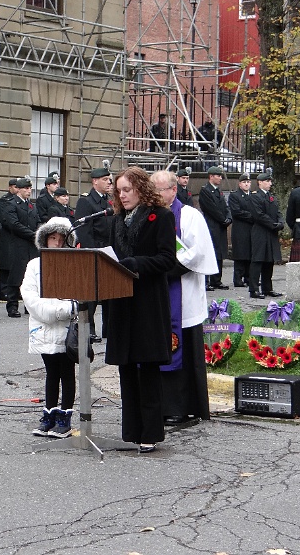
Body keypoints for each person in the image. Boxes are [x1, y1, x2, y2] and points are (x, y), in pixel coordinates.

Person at [105, 167, 176, 453]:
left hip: (148, 301)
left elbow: (167, 259)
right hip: (121, 300)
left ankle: (150, 432)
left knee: (147, 367)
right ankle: (132, 430)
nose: (122, 195)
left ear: (141, 189)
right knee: (126, 367)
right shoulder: (116, 220)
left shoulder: (161, 216)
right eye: (118, 191)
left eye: (127, 190)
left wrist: (136, 263)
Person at [151, 171, 217, 425]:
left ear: (173, 190)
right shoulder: (150, 215)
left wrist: (164, 266)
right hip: (156, 294)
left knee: (183, 349)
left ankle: (182, 406)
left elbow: (196, 252)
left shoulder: (189, 215)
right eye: (152, 190)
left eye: (159, 190)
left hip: (182, 292)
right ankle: (159, 404)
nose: (155, 195)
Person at [21, 217, 77, 438]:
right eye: (53, 238)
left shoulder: (74, 264)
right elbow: (30, 296)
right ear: (45, 239)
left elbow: (77, 296)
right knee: (51, 372)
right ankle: (49, 413)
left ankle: (65, 417)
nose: (57, 243)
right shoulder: (34, 265)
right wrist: (54, 311)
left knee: (67, 373)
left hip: (66, 329)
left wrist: (63, 311)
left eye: (61, 239)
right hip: (43, 327)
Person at [74, 164, 114, 343]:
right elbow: (84, 231)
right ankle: (89, 329)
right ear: (95, 181)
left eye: (109, 180)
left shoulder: (108, 201)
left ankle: (109, 329)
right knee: (91, 295)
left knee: (109, 293)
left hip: (108, 250)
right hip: (94, 251)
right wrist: (92, 253)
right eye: (105, 180)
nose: (109, 183)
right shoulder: (86, 201)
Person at [3, 176, 39, 318]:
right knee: (16, 275)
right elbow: (14, 224)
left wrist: (39, 232)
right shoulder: (11, 204)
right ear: (18, 189)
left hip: (31, 245)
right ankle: (12, 305)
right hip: (17, 244)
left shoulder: (31, 205)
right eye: (26, 188)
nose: (29, 191)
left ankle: (29, 305)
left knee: (30, 276)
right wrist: (32, 234)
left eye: (30, 188)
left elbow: (37, 221)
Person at [248, 169, 284, 299]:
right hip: (260, 231)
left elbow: (278, 212)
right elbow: (259, 215)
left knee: (269, 260)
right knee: (258, 260)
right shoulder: (254, 196)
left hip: (271, 232)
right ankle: (254, 289)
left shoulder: (271, 196)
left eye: (270, 181)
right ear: (260, 182)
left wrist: (281, 222)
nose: (270, 184)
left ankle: (267, 288)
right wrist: (273, 224)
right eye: (267, 181)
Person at [198, 166, 231, 291]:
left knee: (220, 253)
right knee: (210, 252)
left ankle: (217, 280)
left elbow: (225, 206)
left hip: (220, 226)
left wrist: (229, 218)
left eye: (221, 176)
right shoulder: (205, 191)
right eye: (218, 176)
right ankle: (207, 281)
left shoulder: (218, 191)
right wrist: (223, 219)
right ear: (211, 176)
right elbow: (211, 209)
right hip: (211, 225)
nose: (220, 178)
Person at [228, 172, 254, 287]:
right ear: (239, 184)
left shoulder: (252, 196)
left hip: (251, 229)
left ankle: (248, 278)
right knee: (240, 254)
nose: (246, 184)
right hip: (240, 229)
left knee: (250, 253)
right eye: (244, 182)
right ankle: (238, 279)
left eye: (248, 182)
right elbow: (236, 212)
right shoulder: (235, 196)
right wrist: (252, 216)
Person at [0, 178, 19, 302]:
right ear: (10, 187)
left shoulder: (18, 201)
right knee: (6, 265)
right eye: (15, 187)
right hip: (6, 234)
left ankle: (13, 291)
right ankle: (4, 291)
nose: (17, 189)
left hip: (16, 236)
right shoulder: (5, 200)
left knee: (14, 265)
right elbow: (3, 218)